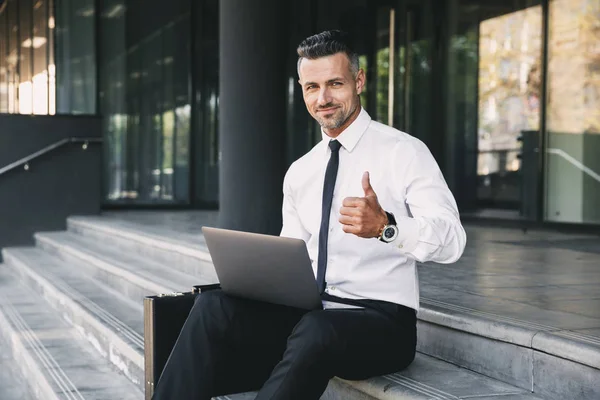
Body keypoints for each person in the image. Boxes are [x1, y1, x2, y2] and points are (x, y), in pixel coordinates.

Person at [152, 29, 466, 400]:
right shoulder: (301, 170)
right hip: (310, 314)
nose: (323, 98)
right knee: (213, 306)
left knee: (317, 330)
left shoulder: (404, 151)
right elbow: (292, 253)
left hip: (382, 323)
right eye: (311, 87)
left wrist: (387, 227)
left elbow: (453, 242)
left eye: (335, 83)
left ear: (359, 81)